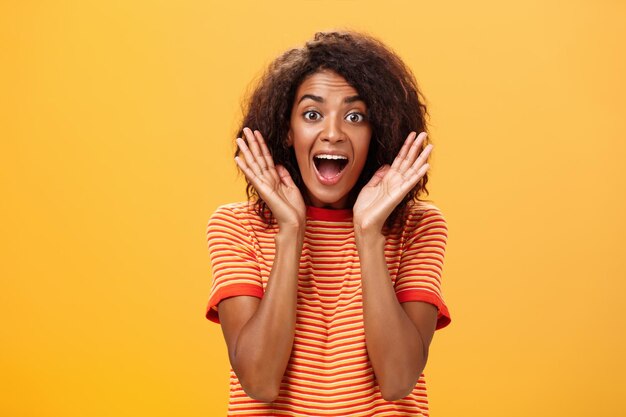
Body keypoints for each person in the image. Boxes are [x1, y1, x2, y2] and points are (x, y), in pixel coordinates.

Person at [205, 30, 451, 416]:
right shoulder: (236, 227)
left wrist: (368, 234)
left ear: (378, 132)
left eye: (355, 116)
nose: (333, 133)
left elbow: (399, 379)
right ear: (287, 130)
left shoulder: (417, 227)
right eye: (312, 114)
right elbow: (260, 382)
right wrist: (291, 231)